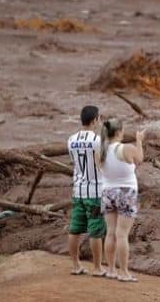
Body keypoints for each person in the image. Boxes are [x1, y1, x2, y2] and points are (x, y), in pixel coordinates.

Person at [98, 117, 145, 282]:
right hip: (126, 192)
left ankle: (111, 269)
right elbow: (140, 158)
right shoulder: (127, 148)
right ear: (118, 132)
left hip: (107, 192)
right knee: (122, 234)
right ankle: (124, 272)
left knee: (110, 232)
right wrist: (139, 141)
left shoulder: (100, 150)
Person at [67, 105, 107, 276]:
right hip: (95, 192)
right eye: (99, 118)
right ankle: (97, 268)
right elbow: (102, 165)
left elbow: (74, 164)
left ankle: (76, 266)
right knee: (96, 230)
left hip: (78, 191)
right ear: (94, 120)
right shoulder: (98, 141)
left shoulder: (71, 140)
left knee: (75, 229)